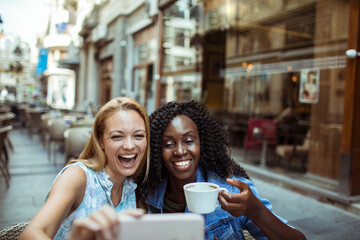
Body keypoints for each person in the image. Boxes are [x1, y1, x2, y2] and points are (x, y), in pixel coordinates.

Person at [137, 100, 306, 240]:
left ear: (202, 143)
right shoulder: (146, 190)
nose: (180, 151)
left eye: (188, 141)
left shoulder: (234, 191)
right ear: (157, 150)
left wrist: (255, 210)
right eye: (168, 144)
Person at [20, 96, 150, 240]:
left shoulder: (132, 187)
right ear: (101, 141)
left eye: (138, 136)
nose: (129, 146)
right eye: (117, 137)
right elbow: (29, 234)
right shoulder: (78, 176)